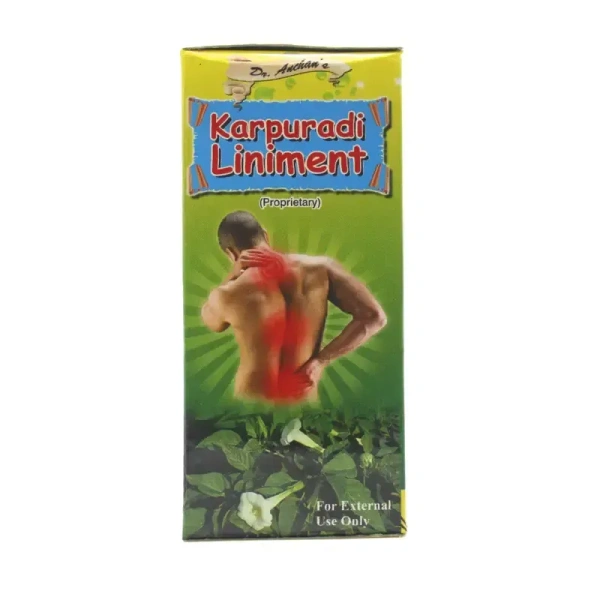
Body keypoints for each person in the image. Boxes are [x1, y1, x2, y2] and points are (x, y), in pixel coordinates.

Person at [201, 211, 387, 402]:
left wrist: (232, 275)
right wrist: (321, 360)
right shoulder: (321, 268)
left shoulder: (227, 294)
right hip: (301, 399)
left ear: (231, 253)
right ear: (265, 235)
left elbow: (212, 322)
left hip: (250, 402)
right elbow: (374, 317)